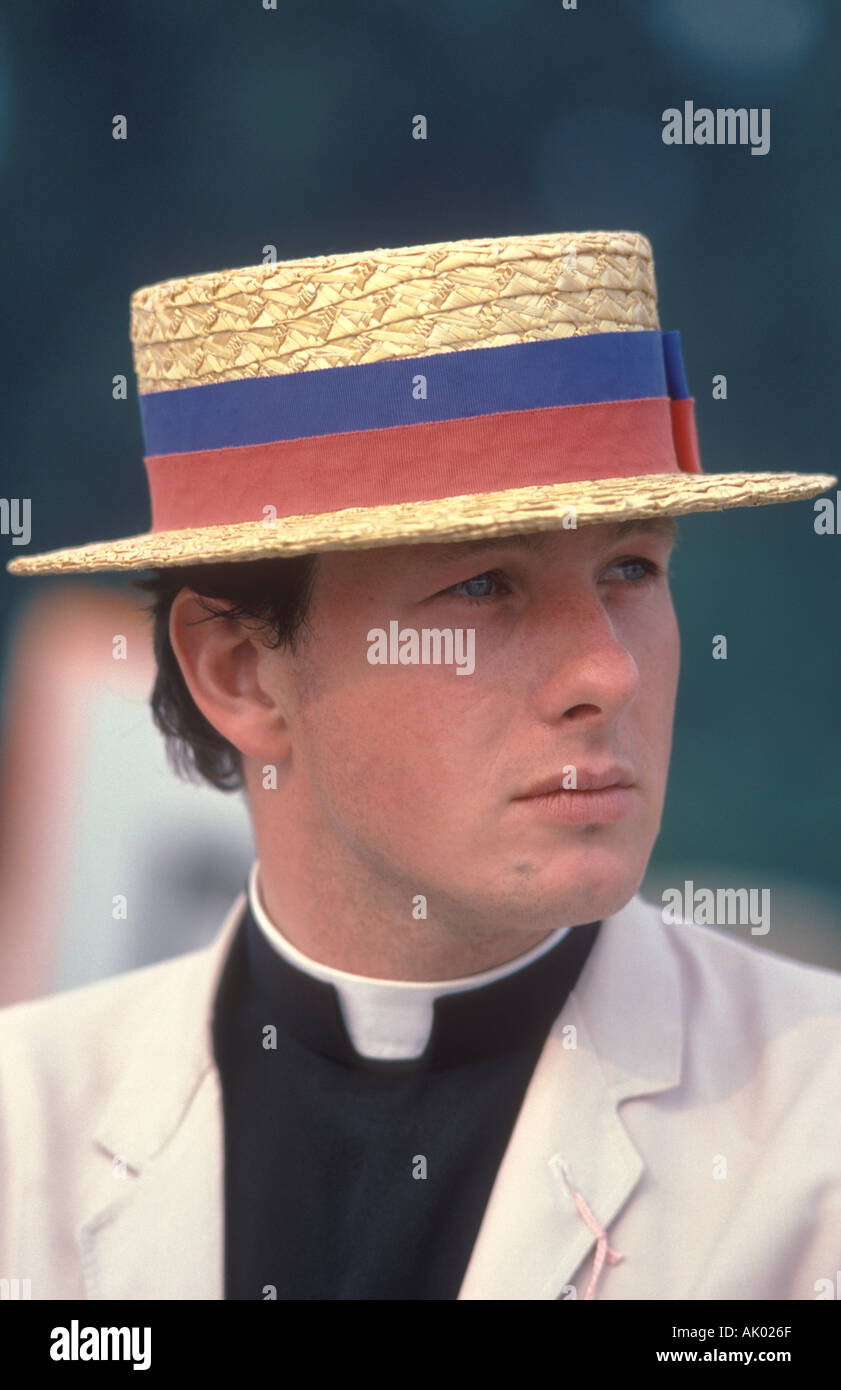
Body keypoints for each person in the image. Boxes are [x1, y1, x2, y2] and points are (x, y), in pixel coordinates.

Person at [3, 230, 840, 1301]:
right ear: (242, 674)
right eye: (484, 585)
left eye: (632, 565)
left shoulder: (816, 1127)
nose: (608, 670)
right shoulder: (19, 1132)